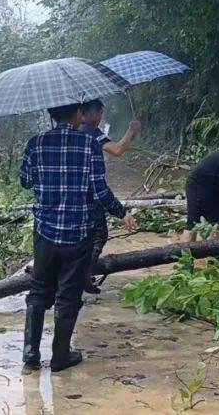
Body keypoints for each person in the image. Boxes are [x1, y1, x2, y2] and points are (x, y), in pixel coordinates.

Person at [19, 102, 137, 372]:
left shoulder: (35, 143)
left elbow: (25, 181)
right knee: (68, 295)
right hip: (78, 231)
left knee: (39, 290)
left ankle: (30, 353)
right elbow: (99, 189)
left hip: (45, 231)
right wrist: (121, 212)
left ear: (51, 115)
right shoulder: (89, 144)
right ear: (77, 114)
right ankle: (60, 357)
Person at [79, 99, 142, 294]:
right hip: (89, 196)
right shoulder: (91, 133)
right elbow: (117, 149)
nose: (101, 117)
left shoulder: (74, 131)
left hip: (70, 197)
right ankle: (82, 276)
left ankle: (72, 275)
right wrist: (131, 131)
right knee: (99, 234)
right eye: (99, 113)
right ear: (89, 113)